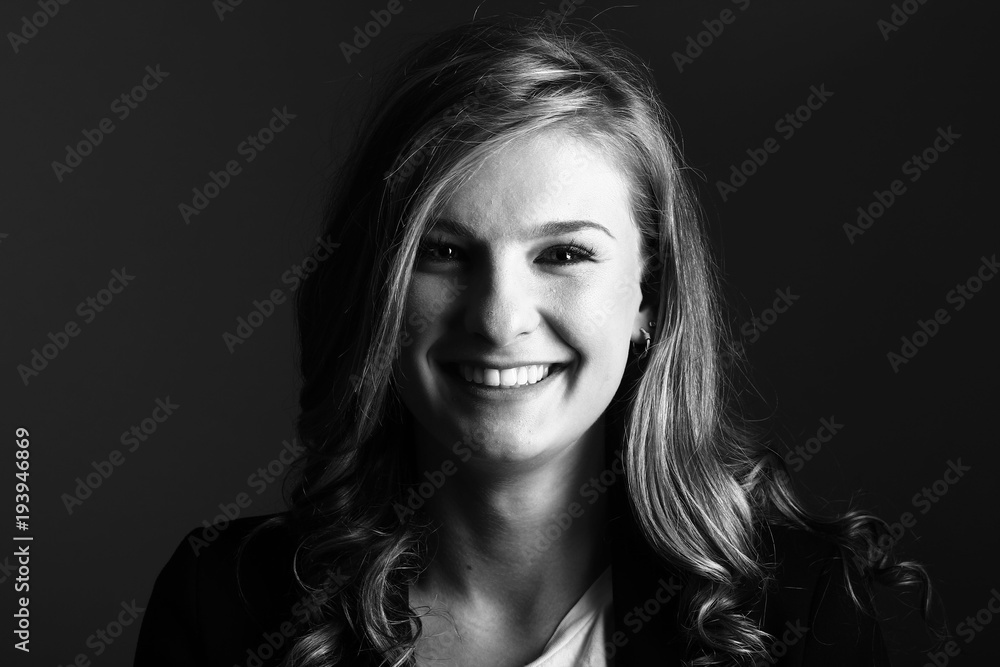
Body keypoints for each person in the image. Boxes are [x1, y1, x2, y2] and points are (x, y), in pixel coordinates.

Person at [134, 15, 936, 667]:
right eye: (443, 251)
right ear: (377, 286)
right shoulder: (224, 604)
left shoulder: (813, 610)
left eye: (564, 254)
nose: (499, 317)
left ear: (650, 295)